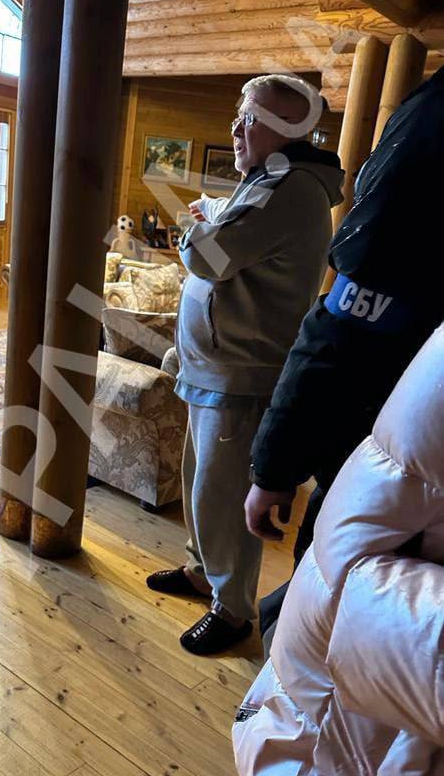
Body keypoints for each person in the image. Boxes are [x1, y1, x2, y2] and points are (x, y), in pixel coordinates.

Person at [245, 65, 444, 646]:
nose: (238, 129)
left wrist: (274, 467)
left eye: (250, 117)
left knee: (323, 627)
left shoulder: (430, 119)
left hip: (399, 474)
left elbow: (345, 328)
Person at [146, 74, 344, 655]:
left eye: (250, 117)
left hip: (241, 372)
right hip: (213, 368)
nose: (236, 126)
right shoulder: (268, 179)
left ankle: (232, 609)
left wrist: (188, 226)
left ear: (283, 131)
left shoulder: (288, 188)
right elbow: (230, 229)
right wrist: (210, 212)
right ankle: (200, 571)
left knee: (224, 497)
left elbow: (210, 258)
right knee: (200, 484)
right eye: (239, 113)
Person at [234, 324, 444, 776]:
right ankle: (225, 601)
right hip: (333, 751)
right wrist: (272, 467)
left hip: (372, 731)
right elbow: (330, 337)